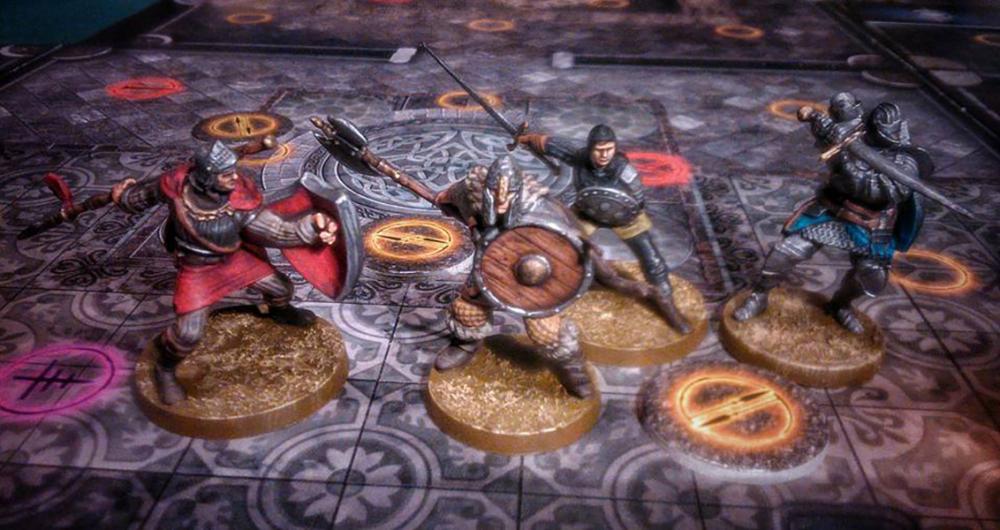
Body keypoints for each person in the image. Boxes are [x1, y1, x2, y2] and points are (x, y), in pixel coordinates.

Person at [111, 141, 339, 404]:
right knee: (188, 334)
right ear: (205, 177)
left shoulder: (239, 196)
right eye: (225, 174)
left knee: (281, 288)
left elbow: (276, 231)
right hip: (197, 269)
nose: (234, 177)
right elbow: (139, 197)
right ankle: (164, 369)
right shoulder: (175, 184)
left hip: (234, 258)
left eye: (233, 171)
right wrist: (124, 196)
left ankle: (280, 311)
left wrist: (311, 227)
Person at [733, 93, 928, 333]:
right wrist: (819, 121)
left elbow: (883, 191)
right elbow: (824, 125)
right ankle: (759, 296)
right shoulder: (853, 132)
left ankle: (840, 305)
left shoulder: (905, 162)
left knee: (872, 274)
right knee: (787, 251)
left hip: (873, 223)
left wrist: (847, 163)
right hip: (833, 210)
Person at [516, 124, 692, 334]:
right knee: (561, 245)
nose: (604, 155)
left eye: (609, 149)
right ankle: (556, 287)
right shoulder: (579, 157)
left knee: (652, 259)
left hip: (624, 217)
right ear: (590, 148)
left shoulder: (625, 171)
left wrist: (623, 212)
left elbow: (637, 200)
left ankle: (668, 306)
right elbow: (551, 145)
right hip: (587, 213)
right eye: (599, 150)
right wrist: (528, 139)